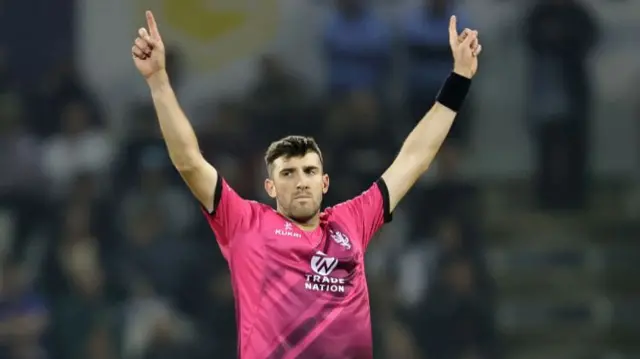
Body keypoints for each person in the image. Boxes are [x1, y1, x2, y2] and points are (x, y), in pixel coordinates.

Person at [130, 10, 482, 359]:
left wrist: (460, 78)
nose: (301, 182)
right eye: (288, 173)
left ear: (325, 182)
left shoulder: (352, 221)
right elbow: (190, 162)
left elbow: (414, 157)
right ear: (270, 188)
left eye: (310, 172)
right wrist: (159, 82)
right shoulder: (245, 223)